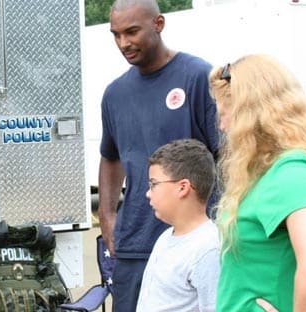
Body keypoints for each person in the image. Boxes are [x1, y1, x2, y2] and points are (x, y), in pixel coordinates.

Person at [98, 0, 219, 310]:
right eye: (116, 35)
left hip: (191, 243)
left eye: (132, 32)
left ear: (159, 24)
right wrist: (108, 217)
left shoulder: (197, 77)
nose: (123, 43)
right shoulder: (114, 94)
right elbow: (110, 157)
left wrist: (224, 223)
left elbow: (226, 156)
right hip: (134, 244)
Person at [209, 54, 306, 311]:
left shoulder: (293, 172)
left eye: (225, 114)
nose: (222, 126)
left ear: (250, 115)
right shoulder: (274, 172)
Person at [136, 139, 220, 311]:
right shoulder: (166, 237)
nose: (148, 193)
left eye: (153, 184)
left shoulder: (209, 249)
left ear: (183, 188)